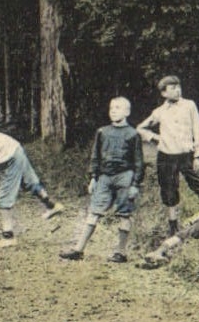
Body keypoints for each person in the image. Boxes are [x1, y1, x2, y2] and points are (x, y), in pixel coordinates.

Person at [59, 96, 143, 264]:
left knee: (124, 214)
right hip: (105, 177)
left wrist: (135, 184)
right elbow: (95, 156)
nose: (113, 111)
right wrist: (93, 178)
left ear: (127, 112)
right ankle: (78, 249)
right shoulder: (102, 131)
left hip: (125, 177)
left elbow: (139, 162)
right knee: (94, 212)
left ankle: (121, 252)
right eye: (111, 108)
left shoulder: (133, 134)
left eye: (118, 108)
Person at [137, 74, 199, 240]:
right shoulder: (159, 112)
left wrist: (198, 156)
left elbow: (198, 131)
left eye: (178, 87)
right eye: (172, 88)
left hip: (187, 155)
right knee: (169, 192)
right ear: (164, 93)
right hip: (166, 157)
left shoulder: (189, 105)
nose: (177, 90)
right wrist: (155, 138)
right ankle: (173, 229)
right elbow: (140, 128)